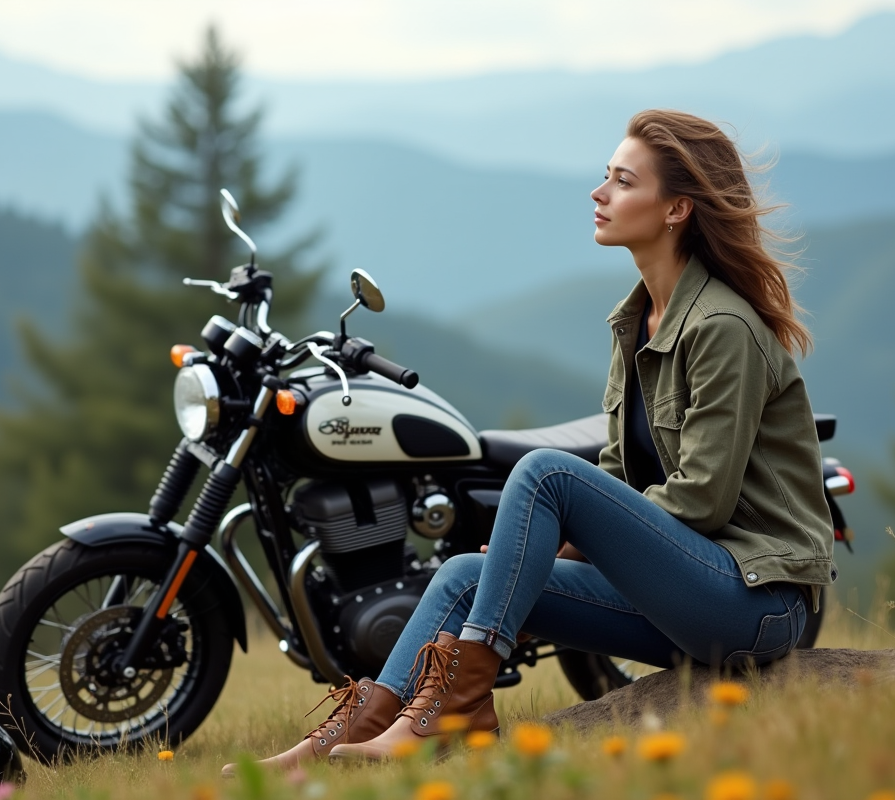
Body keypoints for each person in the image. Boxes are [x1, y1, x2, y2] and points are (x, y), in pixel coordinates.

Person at [227, 108, 834, 773]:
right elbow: (619, 478)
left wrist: (554, 538)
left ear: (676, 209)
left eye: (623, 181)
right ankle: (343, 738)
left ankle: (461, 703)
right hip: (683, 604)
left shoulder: (722, 327)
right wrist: (526, 554)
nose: (599, 193)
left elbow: (703, 500)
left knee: (548, 473)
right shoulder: (635, 320)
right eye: (606, 175)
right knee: (464, 574)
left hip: (755, 605)